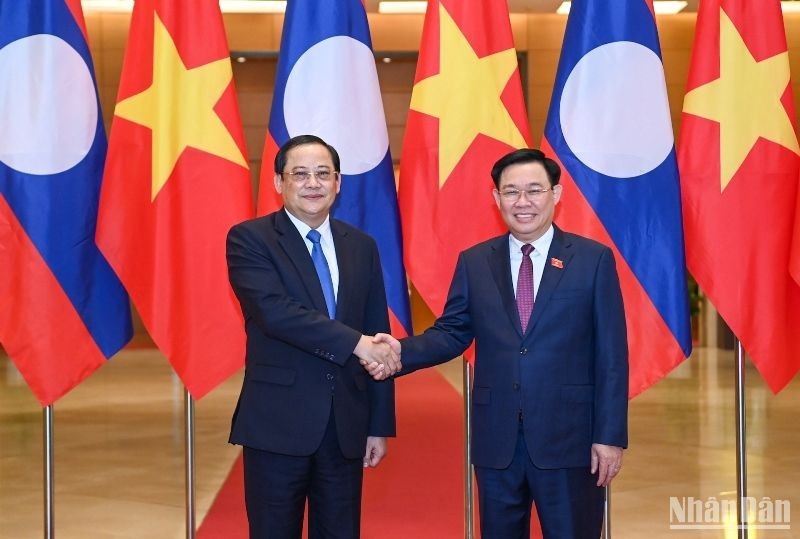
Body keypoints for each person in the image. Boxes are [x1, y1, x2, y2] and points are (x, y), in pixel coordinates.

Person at [368, 148, 628, 539]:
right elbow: (453, 331)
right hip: (497, 440)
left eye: (534, 190)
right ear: (496, 199)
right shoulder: (475, 262)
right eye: (511, 192)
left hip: (570, 438)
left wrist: (609, 436)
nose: (522, 203)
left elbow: (612, 357)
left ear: (556, 194)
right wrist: (401, 351)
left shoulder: (593, 260)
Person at [227, 134, 401, 538]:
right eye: (300, 174)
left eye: (323, 174)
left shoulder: (361, 246)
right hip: (277, 423)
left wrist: (378, 424)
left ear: (338, 182)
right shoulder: (250, 239)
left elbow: (378, 328)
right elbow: (276, 313)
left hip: (345, 427)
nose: (312, 183)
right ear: (278, 182)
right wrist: (357, 343)